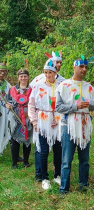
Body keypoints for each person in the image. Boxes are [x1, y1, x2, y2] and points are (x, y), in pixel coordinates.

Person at [56, 56, 94, 194]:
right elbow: (59, 107)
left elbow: (93, 107)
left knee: (84, 158)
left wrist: (89, 105)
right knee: (67, 159)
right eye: (81, 67)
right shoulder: (64, 86)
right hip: (68, 124)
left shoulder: (89, 87)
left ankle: (83, 184)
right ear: (74, 67)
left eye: (86, 67)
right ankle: (64, 188)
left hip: (85, 124)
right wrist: (76, 106)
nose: (84, 69)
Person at [30, 52, 65, 182]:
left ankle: (57, 175)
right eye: (45, 72)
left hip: (58, 120)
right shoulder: (38, 86)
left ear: (55, 73)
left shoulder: (61, 86)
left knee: (58, 150)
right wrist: (34, 121)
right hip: (43, 121)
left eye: (50, 72)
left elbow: (65, 103)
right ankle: (44, 178)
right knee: (43, 151)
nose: (48, 75)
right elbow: (31, 104)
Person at [6, 69, 33, 169]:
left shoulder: (32, 90)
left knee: (27, 140)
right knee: (14, 140)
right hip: (15, 117)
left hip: (27, 118)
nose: (23, 78)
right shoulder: (12, 90)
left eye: (25, 76)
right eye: (21, 76)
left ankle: (26, 162)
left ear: (28, 77)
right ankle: (14, 163)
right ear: (18, 78)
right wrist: (7, 105)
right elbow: (8, 101)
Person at [0, 63, 12, 155]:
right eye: (0, 71)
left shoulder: (7, 84)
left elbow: (10, 97)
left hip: (4, 110)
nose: (2, 73)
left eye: (4, 71)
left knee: (3, 129)